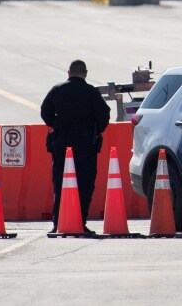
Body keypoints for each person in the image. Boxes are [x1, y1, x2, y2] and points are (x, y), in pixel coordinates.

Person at [41, 60, 111, 235]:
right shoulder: (91, 92)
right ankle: (80, 222)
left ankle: (58, 223)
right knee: (84, 183)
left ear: (69, 72)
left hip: (61, 143)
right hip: (85, 143)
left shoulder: (57, 90)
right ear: (85, 73)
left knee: (60, 182)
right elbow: (104, 115)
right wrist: (95, 129)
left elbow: (45, 111)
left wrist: (56, 124)